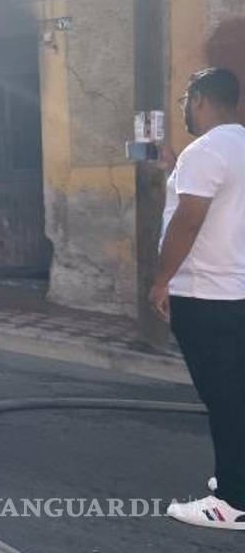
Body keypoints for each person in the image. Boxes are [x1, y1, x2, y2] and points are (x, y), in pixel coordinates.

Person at [151, 67, 245, 529]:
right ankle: (236, 475)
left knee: (225, 398)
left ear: (202, 99)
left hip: (206, 295)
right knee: (236, 392)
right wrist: (175, 171)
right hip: (237, 291)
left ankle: (232, 502)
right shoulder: (238, 146)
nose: (184, 109)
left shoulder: (205, 151)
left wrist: (161, 280)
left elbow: (188, 221)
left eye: (185, 100)